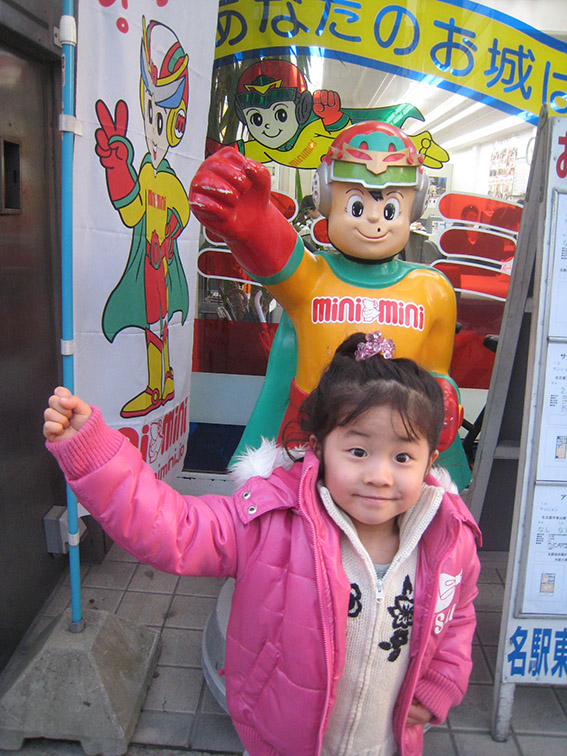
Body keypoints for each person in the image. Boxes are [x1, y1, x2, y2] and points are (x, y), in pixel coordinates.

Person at [43, 332, 481, 756]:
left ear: (430, 460)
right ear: (319, 448)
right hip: (284, 741)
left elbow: (458, 614)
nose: (380, 476)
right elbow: (174, 528)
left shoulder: (447, 538)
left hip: (387, 743)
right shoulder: (268, 521)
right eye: (358, 452)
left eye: (402, 457)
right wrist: (95, 453)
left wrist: (441, 683)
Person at [189, 121, 470, 491]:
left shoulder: (433, 290)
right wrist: (249, 217)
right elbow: (273, 250)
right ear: (326, 199)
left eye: (389, 207)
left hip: (388, 453)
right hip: (306, 445)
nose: (373, 218)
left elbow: (435, 372)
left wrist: (444, 396)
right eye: (357, 204)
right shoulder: (312, 276)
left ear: (413, 207)